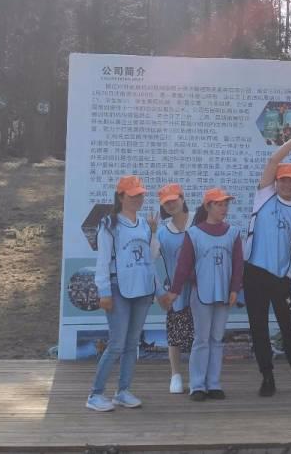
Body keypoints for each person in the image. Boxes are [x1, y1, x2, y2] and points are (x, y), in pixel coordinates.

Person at [244, 133, 291, 397]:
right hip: (254, 273)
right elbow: (273, 160)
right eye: (283, 180)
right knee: (259, 327)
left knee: (289, 328)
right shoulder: (264, 196)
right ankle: (267, 377)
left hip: (281, 278)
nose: (287, 184)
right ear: (275, 182)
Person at [162, 188, 244, 402]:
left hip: (223, 295)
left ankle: (214, 384)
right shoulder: (194, 234)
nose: (224, 208)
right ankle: (197, 385)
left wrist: (235, 289)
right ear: (208, 206)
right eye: (219, 204)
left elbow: (238, 264)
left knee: (217, 339)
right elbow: (183, 266)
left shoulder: (233, 233)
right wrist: (174, 292)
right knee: (201, 339)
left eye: (226, 204)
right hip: (201, 295)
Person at [88, 175, 159, 412]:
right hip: (118, 289)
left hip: (142, 290)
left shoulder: (143, 224)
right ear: (120, 197)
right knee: (117, 344)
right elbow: (102, 260)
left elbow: (151, 256)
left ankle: (123, 391)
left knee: (131, 343)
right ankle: (96, 394)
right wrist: (104, 291)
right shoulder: (109, 223)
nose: (138, 199)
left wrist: (154, 232)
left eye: (141, 195)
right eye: (133, 195)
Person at [155, 183, 193, 394]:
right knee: (175, 334)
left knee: (200, 335)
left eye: (174, 199)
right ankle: (176, 375)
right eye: (166, 202)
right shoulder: (162, 232)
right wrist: (152, 234)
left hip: (200, 290)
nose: (171, 204)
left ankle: (197, 375)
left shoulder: (199, 222)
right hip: (175, 292)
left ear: (182, 198)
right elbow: (150, 257)